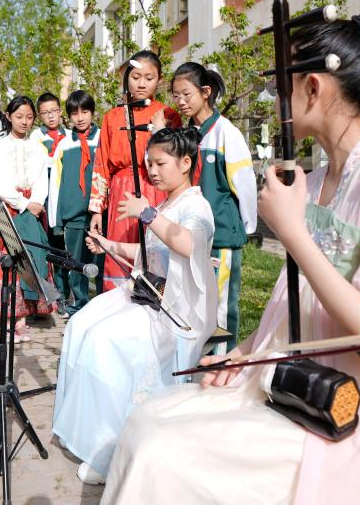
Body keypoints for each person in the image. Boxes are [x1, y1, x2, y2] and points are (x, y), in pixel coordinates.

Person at [102, 11, 360, 504]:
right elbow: (292, 302)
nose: (274, 99)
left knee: (161, 453)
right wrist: (245, 351)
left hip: (352, 409)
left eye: (280, 87)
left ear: (312, 88)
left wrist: (293, 232)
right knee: (148, 421)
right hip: (295, 382)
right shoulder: (311, 183)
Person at [52, 127, 218, 485]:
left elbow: (188, 246)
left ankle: (111, 451)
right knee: (81, 325)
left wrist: (147, 215)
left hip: (176, 310)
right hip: (149, 294)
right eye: (149, 164)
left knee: (105, 341)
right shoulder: (168, 204)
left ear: (185, 163)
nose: (152, 171)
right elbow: (152, 251)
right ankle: (87, 432)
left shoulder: (196, 206)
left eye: (160, 163)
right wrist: (110, 245)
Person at [157, 62, 257, 350]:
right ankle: (196, 362)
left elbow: (244, 184)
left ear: (205, 92)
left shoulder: (226, 133)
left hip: (221, 235)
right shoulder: (187, 134)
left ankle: (222, 362)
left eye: (186, 94)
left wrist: (247, 226)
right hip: (190, 234)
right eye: (176, 95)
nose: (180, 101)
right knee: (193, 303)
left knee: (221, 306)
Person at [89, 51, 181, 291]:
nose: (141, 84)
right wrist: (97, 209)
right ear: (127, 77)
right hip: (120, 194)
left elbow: (176, 161)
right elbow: (101, 163)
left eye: (149, 78)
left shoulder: (169, 116)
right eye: (136, 77)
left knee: (154, 251)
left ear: (159, 80)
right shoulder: (112, 117)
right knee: (119, 255)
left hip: (156, 190)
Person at [0, 96, 55, 342]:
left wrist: (36, 203)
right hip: (8, 210)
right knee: (9, 262)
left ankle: (22, 318)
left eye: (29, 117)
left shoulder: (38, 148)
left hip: (32, 210)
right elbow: (2, 183)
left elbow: (41, 180)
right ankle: (7, 317)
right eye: (19, 116)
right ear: (8, 116)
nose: (24, 122)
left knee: (29, 260)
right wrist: (23, 203)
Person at [51, 90, 102, 312]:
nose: (80, 118)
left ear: (93, 112)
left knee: (101, 263)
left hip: (99, 213)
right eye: (74, 113)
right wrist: (56, 219)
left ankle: (102, 308)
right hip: (73, 214)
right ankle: (79, 307)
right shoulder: (64, 144)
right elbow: (56, 183)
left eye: (85, 112)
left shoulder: (103, 138)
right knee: (76, 264)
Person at [32, 92, 70, 314]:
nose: (51, 116)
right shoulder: (36, 137)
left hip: (64, 199)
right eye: (45, 113)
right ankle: (49, 297)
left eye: (54, 111)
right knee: (46, 248)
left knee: (63, 249)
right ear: (39, 116)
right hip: (44, 201)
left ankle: (65, 294)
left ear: (60, 111)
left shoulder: (71, 136)